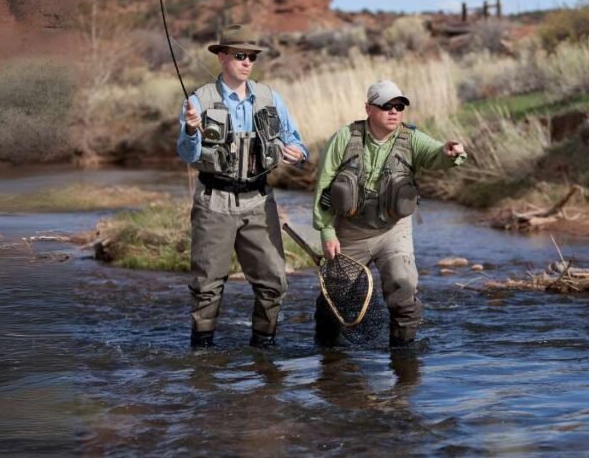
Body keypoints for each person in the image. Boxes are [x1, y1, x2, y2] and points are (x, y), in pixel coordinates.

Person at [176, 24, 308, 349]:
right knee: (207, 286)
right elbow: (186, 154)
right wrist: (191, 131)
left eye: (251, 56)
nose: (247, 62)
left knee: (274, 282)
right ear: (222, 57)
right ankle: (203, 354)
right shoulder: (199, 100)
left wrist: (298, 155)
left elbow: (296, 142)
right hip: (214, 200)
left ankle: (264, 350)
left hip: (259, 201)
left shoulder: (269, 97)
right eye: (239, 55)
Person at [312, 80, 466, 348]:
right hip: (350, 230)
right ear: (368, 108)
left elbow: (435, 154)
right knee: (334, 300)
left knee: (403, 290)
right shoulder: (344, 138)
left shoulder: (412, 138)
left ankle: (404, 359)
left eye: (399, 106)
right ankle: (328, 359)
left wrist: (449, 153)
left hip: (394, 230)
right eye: (386, 106)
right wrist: (326, 231)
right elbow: (324, 186)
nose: (394, 111)